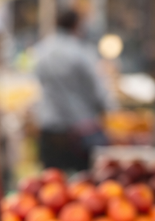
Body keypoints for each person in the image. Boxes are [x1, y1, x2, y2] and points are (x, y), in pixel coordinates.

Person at [32, 9, 114, 172]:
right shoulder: (81, 52)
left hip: (49, 126)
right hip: (80, 130)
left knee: (51, 179)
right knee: (81, 184)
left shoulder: (41, 50)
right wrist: (109, 110)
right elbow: (97, 89)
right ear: (77, 25)